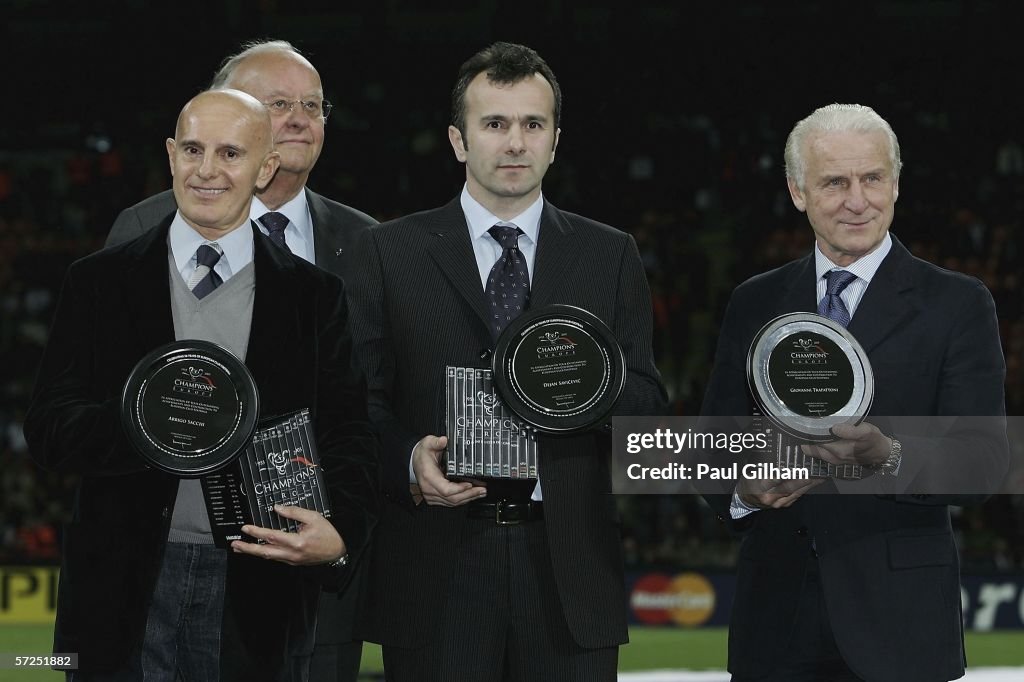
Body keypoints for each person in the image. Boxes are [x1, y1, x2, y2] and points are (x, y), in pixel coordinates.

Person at [24, 89, 378, 682]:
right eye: (192, 149)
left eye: (231, 153)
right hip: (121, 587)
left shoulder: (314, 297)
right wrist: (144, 422)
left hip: (260, 588)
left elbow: (349, 432)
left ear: (266, 167)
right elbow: (49, 430)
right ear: (170, 155)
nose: (207, 169)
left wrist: (342, 532)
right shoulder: (98, 283)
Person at [347, 42, 667, 681]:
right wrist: (407, 460)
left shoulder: (609, 256)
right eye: (494, 124)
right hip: (436, 564)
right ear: (459, 141)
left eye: (532, 124)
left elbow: (647, 407)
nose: (514, 142)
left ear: (554, 140)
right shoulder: (387, 252)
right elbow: (359, 407)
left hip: (570, 568)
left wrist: (586, 387)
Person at [700, 103, 1008, 681]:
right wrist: (743, 488)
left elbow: (984, 460)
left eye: (873, 178)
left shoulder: (959, 304)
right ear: (797, 191)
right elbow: (713, 443)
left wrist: (887, 455)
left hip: (900, 626)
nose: (858, 200)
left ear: (895, 184)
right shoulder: (755, 301)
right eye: (835, 182)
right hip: (774, 621)